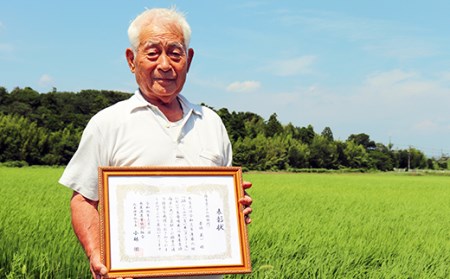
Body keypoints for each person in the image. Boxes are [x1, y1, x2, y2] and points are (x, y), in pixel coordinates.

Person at [59, 7, 252, 279]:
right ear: (131, 60)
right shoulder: (108, 123)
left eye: (175, 53)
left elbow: (225, 206)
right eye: (152, 53)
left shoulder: (211, 122)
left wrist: (235, 209)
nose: (165, 65)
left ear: (189, 59)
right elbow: (83, 200)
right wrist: (97, 254)